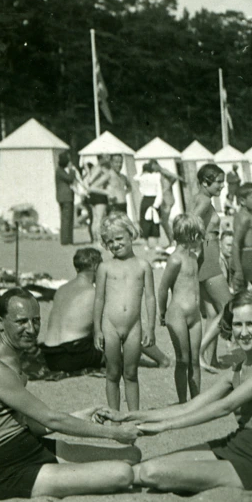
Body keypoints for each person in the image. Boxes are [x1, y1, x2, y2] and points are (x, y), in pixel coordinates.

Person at [103, 290, 252, 494]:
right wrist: (129, 415)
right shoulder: (238, 369)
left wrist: (162, 427)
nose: (243, 332)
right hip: (236, 443)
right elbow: (189, 407)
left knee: (149, 473)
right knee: (143, 466)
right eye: (237, 324)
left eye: (251, 324)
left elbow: (226, 406)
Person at [0, 289, 139, 500]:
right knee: (122, 473)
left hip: (26, 446)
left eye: (36, 321)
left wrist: (78, 416)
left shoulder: (2, 358)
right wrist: (115, 433)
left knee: (132, 455)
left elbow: (18, 423)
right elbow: (51, 419)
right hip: (6, 471)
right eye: (21, 322)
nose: (31, 329)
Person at [40, 248, 169, 374]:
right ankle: (163, 361)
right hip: (73, 356)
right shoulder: (94, 294)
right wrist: (161, 359)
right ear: (96, 267)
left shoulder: (62, 289)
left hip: (50, 354)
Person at [93, 213, 156, 411]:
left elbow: (150, 298)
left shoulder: (143, 266)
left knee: (131, 373)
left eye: (119, 238)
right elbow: (99, 299)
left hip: (133, 326)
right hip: (110, 326)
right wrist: (97, 329)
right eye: (109, 241)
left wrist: (151, 328)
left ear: (131, 235)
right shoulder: (105, 267)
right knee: (112, 373)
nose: (115, 244)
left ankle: (134, 416)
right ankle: (114, 415)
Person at [157, 215, 206, 402]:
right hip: (177, 313)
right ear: (190, 235)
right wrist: (162, 312)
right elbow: (163, 288)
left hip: (194, 315)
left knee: (194, 360)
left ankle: (196, 401)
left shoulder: (193, 257)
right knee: (183, 360)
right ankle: (182, 402)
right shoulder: (175, 259)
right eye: (196, 234)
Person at [191, 164, 234, 367]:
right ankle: (198, 354)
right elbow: (191, 222)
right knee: (228, 308)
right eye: (218, 182)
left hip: (206, 251)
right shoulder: (206, 200)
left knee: (212, 313)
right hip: (209, 252)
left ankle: (211, 358)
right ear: (206, 182)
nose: (222, 186)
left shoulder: (200, 197)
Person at [134, 160, 163, 250]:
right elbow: (159, 190)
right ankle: (157, 244)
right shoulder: (155, 177)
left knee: (144, 222)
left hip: (145, 200)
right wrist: (157, 203)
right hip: (153, 198)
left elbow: (135, 177)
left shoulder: (141, 177)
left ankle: (146, 244)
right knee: (155, 221)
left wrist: (142, 172)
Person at [83, 156, 111, 244]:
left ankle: (95, 239)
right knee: (99, 218)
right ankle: (99, 239)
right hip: (99, 195)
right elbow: (90, 182)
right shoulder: (100, 168)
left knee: (95, 219)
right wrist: (106, 191)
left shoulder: (93, 168)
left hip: (92, 196)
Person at [55, 151, 77, 246]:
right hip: (66, 197)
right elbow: (70, 179)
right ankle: (66, 240)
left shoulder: (60, 170)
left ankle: (67, 239)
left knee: (67, 218)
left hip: (64, 197)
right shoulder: (60, 171)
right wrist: (72, 170)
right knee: (67, 219)